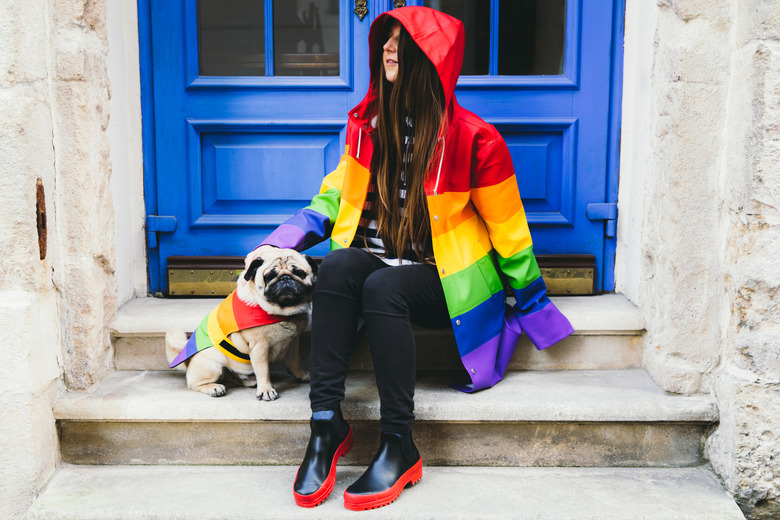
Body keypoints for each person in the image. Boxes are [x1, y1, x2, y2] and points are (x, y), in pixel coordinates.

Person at [244, 6, 574, 511]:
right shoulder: (367, 126)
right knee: (335, 267)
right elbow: (333, 200)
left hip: (443, 280)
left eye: (403, 41)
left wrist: (533, 305)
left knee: (382, 288)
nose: (388, 48)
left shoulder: (476, 139)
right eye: (387, 39)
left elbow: (510, 231)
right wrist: (279, 242)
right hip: (379, 265)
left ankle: (400, 441)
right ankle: (325, 424)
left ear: (434, 59)